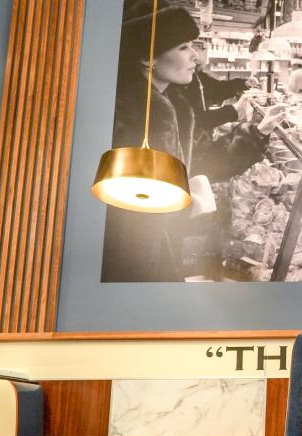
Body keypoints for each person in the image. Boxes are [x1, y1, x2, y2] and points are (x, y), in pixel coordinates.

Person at [102, 0, 282, 282]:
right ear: (147, 56)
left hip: (161, 249)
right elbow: (129, 209)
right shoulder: (127, 111)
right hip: (128, 261)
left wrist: (258, 129)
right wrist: (187, 202)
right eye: (183, 47)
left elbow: (201, 162)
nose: (195, 57)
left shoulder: (173, 106)